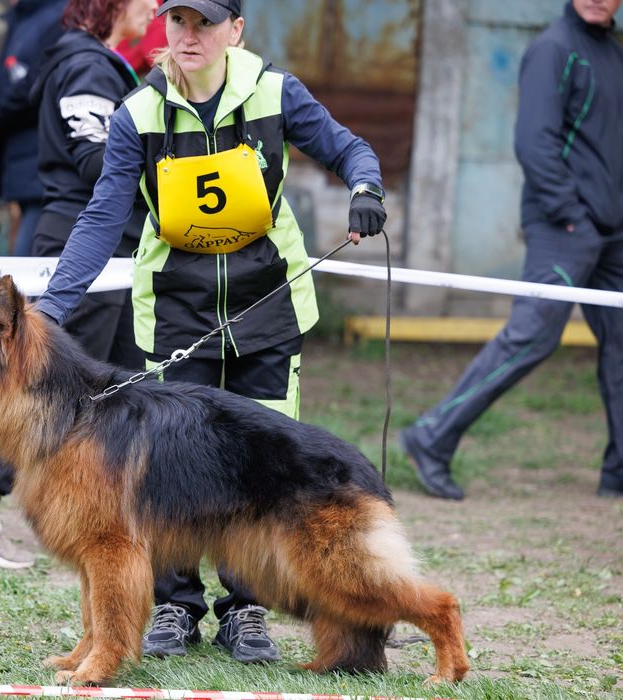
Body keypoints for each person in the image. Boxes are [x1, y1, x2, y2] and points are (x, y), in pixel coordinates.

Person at [35, 0, 387, 664]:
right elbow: (102, 217)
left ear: (235, 30)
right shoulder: (138, 113)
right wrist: (52, 306)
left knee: (260, 468)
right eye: (177, 22)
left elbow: (349, 148)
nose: (187, 36)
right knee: (168, 471)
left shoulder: (275, 92)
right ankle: (174, 604)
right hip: (175, 314)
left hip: (268, 310)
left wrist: (365, 186)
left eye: (204, 23)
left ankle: (244, 611)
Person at [0, 0, 156, 570]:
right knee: (41, 393)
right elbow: (93, 160)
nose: (157, 7)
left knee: (127, 388)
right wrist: (164, 160)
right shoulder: (87, 66)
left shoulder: (93, 61)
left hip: (108, 249)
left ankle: (134, 519)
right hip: (84, 246)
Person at [400, 0, 623, 501]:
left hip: (612, 232)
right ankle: (431, 436)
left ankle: (619, 470)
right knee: (533, 336)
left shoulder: (612, 52)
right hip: (565, 225)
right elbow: (534, 142)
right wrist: (571, 213)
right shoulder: (553, 49)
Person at [0, 0, 66, 257]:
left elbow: (35, 88)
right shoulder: (22, 17)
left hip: (46, 175)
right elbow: (6, 82)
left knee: (30, 281)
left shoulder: (59, 15)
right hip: (22, 173)